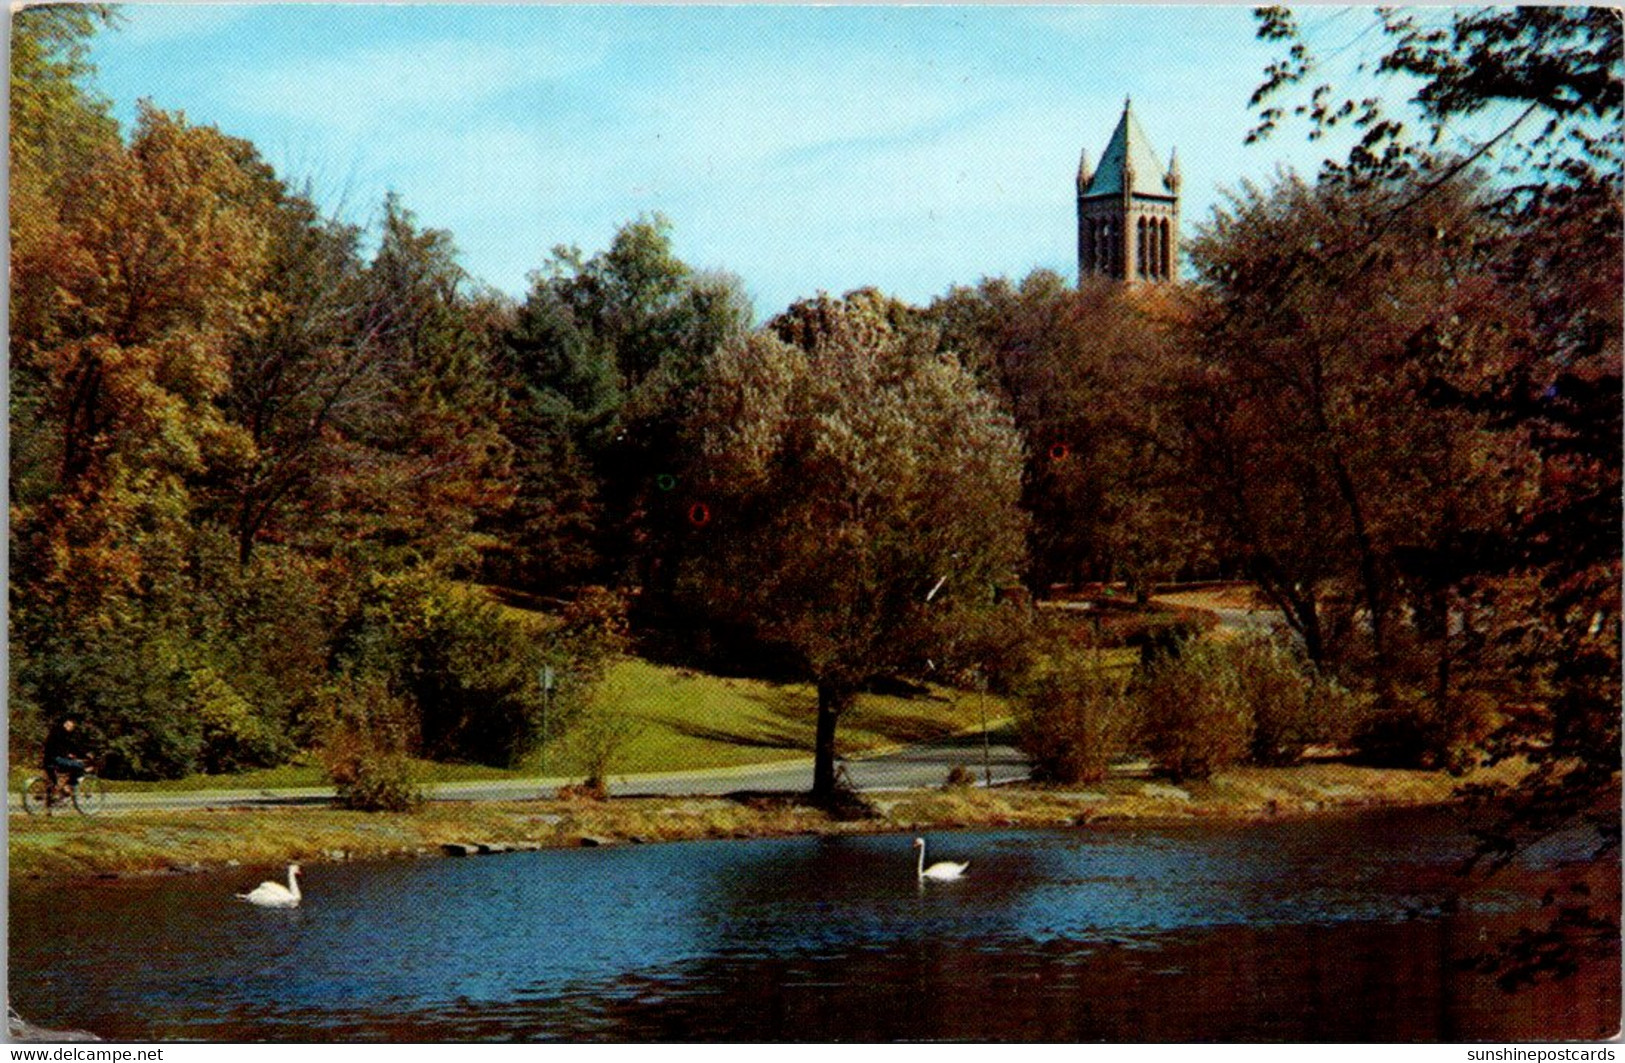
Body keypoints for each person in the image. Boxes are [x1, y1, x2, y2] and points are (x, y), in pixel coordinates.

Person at [42, 718, 89, 799]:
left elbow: (54, 747)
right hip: (57, 759)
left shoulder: (53, 733)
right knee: (80, 766)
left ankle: (55, 795)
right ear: (66, 725)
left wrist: (67, 754)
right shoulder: (65, 735)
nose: (70, 728)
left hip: (47, 760)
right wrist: (85, 756)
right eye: (70, 726)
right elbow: (73, 747)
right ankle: (68, 786)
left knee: (55, 778)